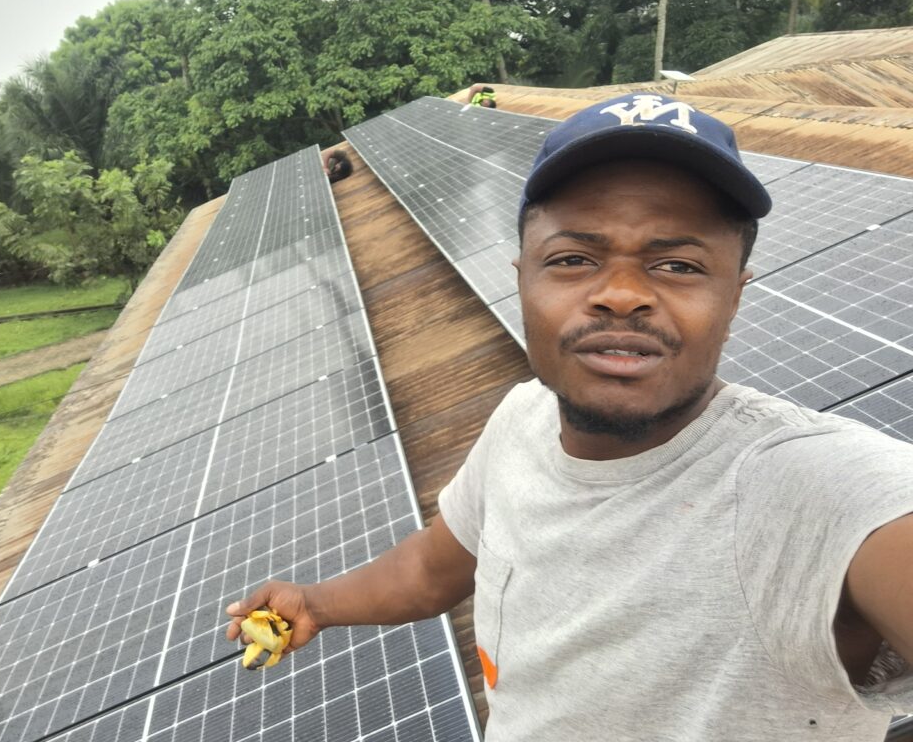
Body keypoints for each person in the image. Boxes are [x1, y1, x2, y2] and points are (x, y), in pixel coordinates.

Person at [227, 93, 913, 740]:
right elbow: (431, 570)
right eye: (573, 259)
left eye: (676, 264)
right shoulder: (521, 417)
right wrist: (315, 604)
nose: (620, 295)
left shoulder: (821, 493)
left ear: (735, 297)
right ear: (521, 276)